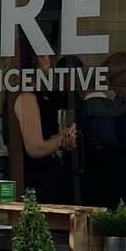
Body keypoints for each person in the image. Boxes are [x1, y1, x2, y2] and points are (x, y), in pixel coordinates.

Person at [10, 40, 76, 204]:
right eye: (45, 55)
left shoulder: (41, 95)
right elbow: (36, 148)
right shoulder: (27, 98)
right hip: (37, 180)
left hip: (49, 176)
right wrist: (59, 139)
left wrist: (64, 143)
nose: (50, 60)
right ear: (36, 59)